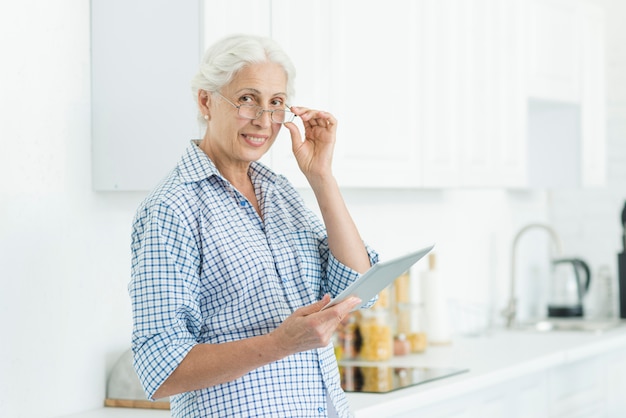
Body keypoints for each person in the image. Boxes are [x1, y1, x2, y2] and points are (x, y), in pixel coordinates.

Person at [128, 34, 378, 417]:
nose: (263, 120)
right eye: (247, 99)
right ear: (205, 101)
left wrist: (321, 176)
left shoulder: (278, 193)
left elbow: (357, 289)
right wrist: (281, 342)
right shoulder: (172, 208)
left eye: (276, 104)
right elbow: (161, 369)